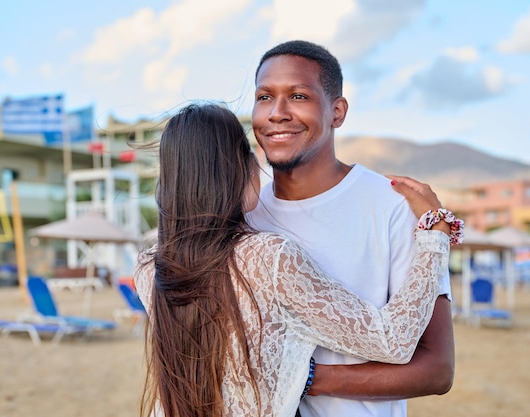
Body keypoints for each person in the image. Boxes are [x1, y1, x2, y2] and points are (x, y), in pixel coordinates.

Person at [133, 102, 460, 417]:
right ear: (237, 169)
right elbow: (394, 341)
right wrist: (435, 235)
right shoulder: (267, 259)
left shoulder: (150, 268)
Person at [247, 40, 456, 417]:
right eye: (264, 97)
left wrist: (304, 377)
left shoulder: (394, 207)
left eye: (297, 95)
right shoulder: (245, 218)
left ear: (337, 112)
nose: (277, 113)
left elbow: (437, 368)